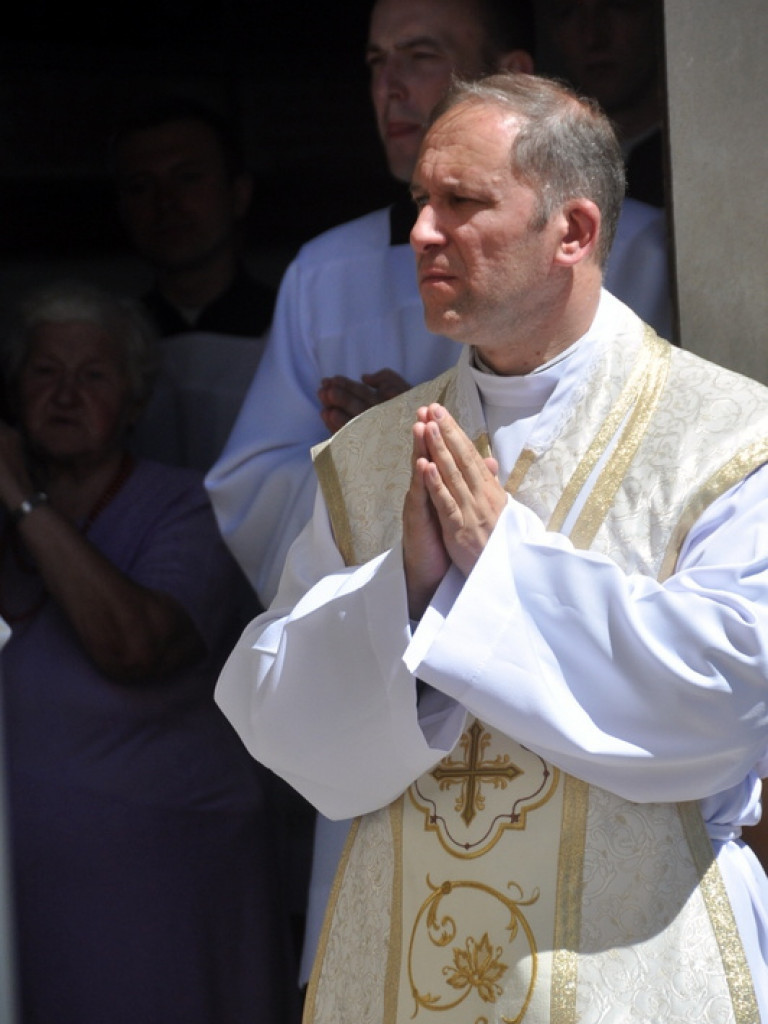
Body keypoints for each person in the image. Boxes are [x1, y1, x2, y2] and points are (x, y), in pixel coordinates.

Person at [215, 72, 768, 1024]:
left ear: (575, 232)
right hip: (401, 967)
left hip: (633, 968)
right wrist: (405, 591)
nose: (424, 232)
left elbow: (732, 688)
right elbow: (276, 717)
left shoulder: (730, 438)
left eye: (462, 203)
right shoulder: (370, 459)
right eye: (421, 201)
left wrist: (501, 566)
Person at [205, 0, 672, 613]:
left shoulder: (634, 249)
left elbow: (655, 474)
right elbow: (254, 489)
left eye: (421, 57)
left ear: (511, 75)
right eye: (376, 62)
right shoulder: (323, 271)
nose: (387, 87)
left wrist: (433, 445)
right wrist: (374, 459)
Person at [0, 282, 296, 1024]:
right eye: (44, 373)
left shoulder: (186, 507)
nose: (65, 395)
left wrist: (23, 503)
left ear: (134, 401)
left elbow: (134, 646)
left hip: (163, 890)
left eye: (93, 376)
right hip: (23, 895)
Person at [113, 97, 276, 470]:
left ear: (238, 193)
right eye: (141, 186)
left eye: (187, 178)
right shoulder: (111, 343)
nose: (166, 202)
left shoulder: (291, 331)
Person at [544, 0, 666, 207]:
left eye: (618, 6)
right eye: (568, 12)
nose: (593, 37)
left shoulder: (695, 156)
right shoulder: (547, 165)